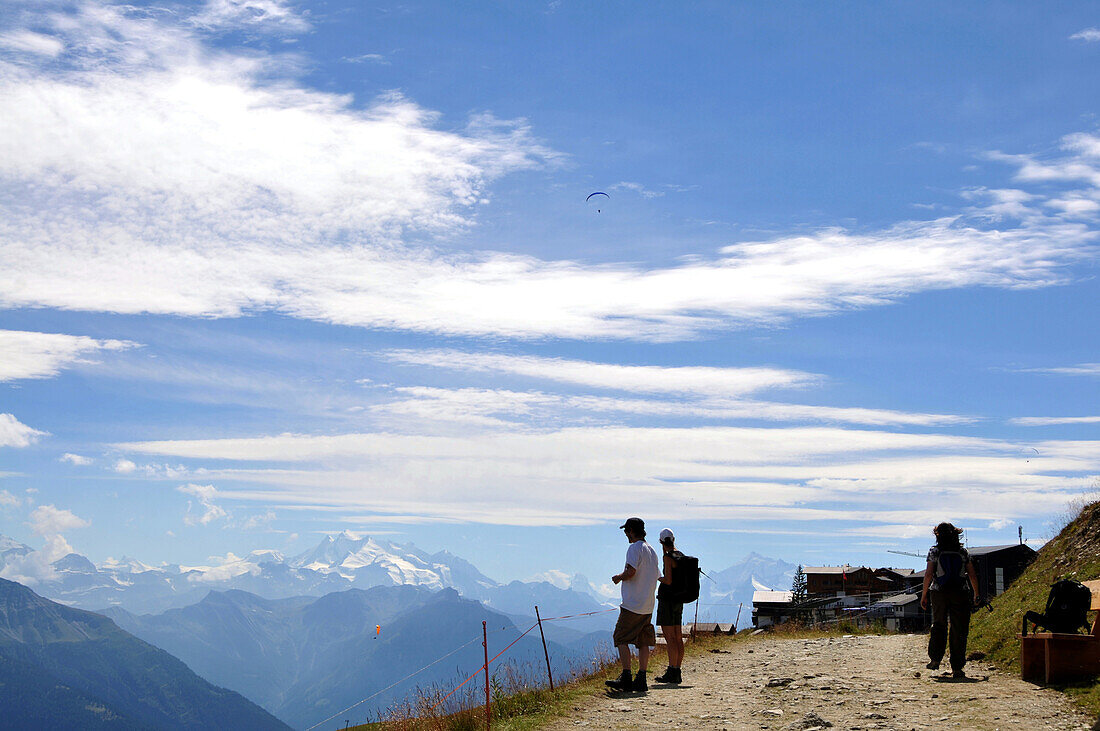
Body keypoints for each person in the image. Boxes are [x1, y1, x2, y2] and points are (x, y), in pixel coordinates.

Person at [605, 517, 660, 692]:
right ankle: (641, 679)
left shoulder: (634, 548)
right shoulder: (652, 551)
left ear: (630, 531)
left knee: (620, 637)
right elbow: (658, 576)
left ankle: (626, 676)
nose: (625, 535)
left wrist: (618, 577)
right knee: (643, 640)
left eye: (626, 531)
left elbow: (631, 571)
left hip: (633, 604)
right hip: (648, 604)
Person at [920, 521, 979, 678]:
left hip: (938, 592)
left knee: (939, 625)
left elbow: (928, 574)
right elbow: (972, 574)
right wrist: (976, 593)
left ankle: (935, 660)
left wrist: (924, 594)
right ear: (955, 533)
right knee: (959, 629)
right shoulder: (962, 552)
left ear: (937, 535)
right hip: (960, 592)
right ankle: (957, 667)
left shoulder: (935, 551)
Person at [654, 528, 684, 684]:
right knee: (678, 638)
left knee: (670, 638)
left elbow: (668, 580)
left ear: (661, 542)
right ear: (673, 539)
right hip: (679, 601)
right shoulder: (681, 555)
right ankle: (677, 670)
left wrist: (658, 576)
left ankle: (671, 671)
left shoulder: (667, 557)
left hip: (667, 600)